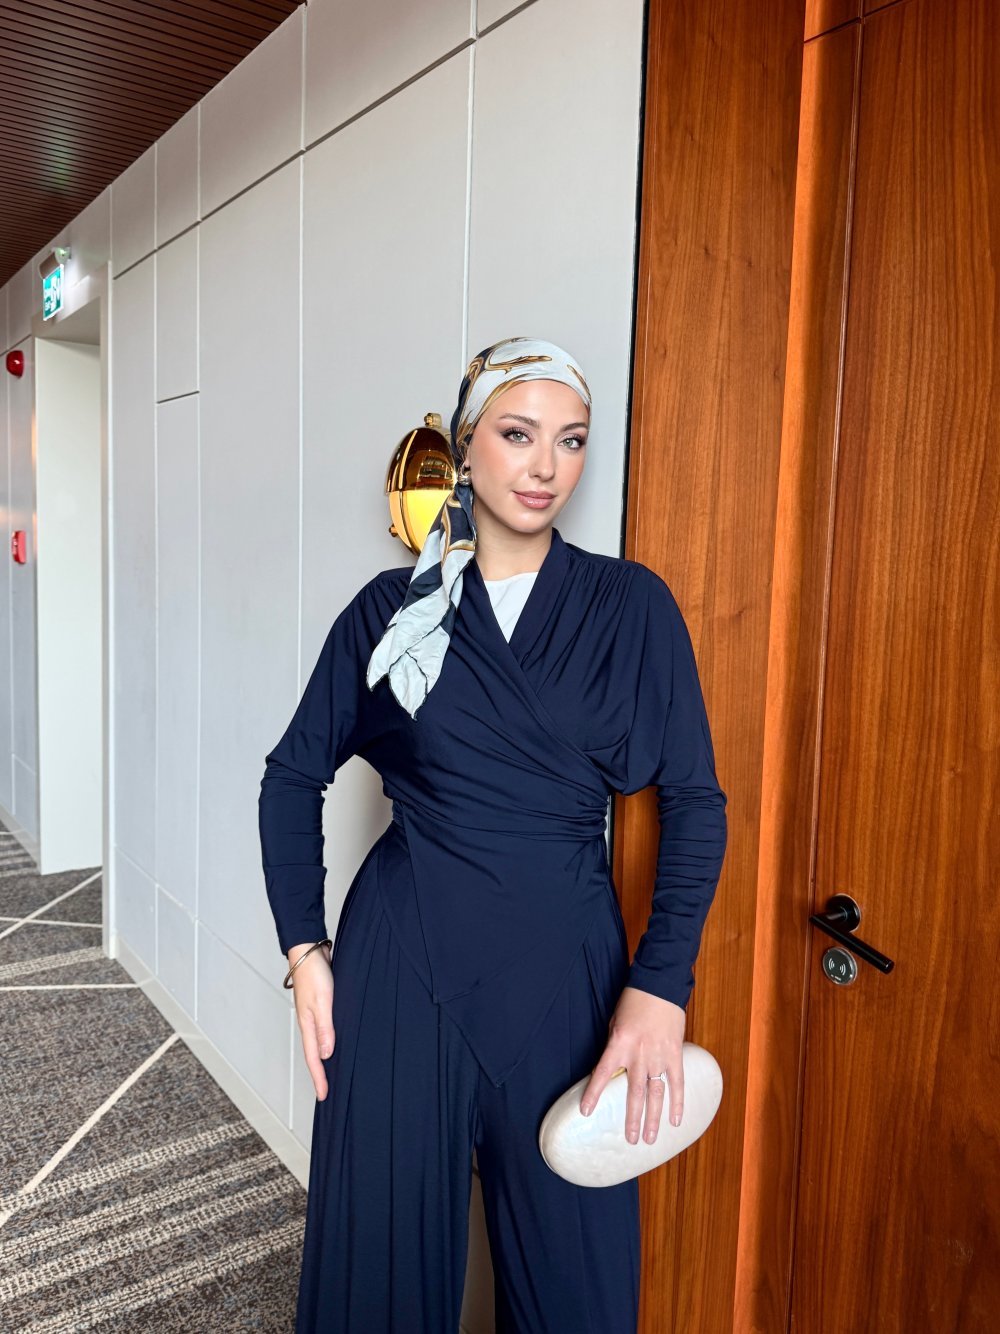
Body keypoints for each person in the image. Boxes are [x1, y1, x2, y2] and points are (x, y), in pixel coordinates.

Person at [258, 335, 728, 1333]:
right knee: (378, 1278)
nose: (546, 465)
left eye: (572, 439)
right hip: (401, 966)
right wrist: (304, 949)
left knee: (577, 1292)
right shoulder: (390, 613)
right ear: (466, 446)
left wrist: (661, 985)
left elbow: (695, 801)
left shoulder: (631, 606)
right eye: (518, 434)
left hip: (567, 977)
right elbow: (292, 774)